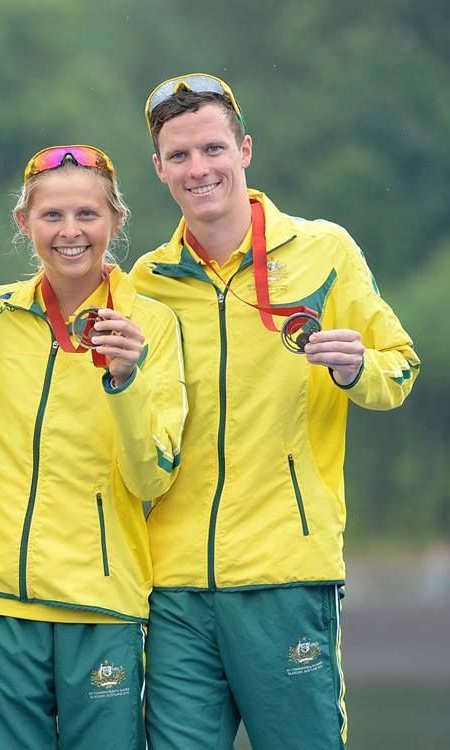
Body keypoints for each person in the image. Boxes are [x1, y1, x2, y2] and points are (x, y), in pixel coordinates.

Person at [132, 73, 421, 749]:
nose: (198, 169)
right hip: (173, 585)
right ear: (159, 169)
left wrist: (354, 368)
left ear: (245, 150)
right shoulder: (147, 281)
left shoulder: (324, 250)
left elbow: (400, 367)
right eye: (179, 156)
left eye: (212, 149)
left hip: (287, 574)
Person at [0, 145, 188, 748]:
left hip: (103, 602)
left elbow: (153, 478)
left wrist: (126, 381)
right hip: (0, 600)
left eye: (88, 214)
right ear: (24, 223)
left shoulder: (152, 325)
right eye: (52, 215)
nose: (71, 232)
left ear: (116, 220)